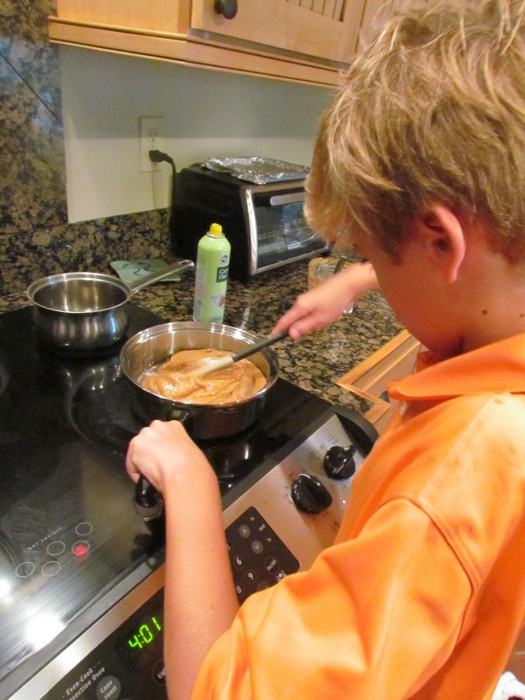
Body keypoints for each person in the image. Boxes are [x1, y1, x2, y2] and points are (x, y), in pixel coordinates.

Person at [125, 0, 525, 697]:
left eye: (372, 249)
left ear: (440, 243)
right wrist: (365, 277)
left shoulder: (453, 478)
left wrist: (190, 487)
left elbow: (209, 690)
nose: (374, 272)